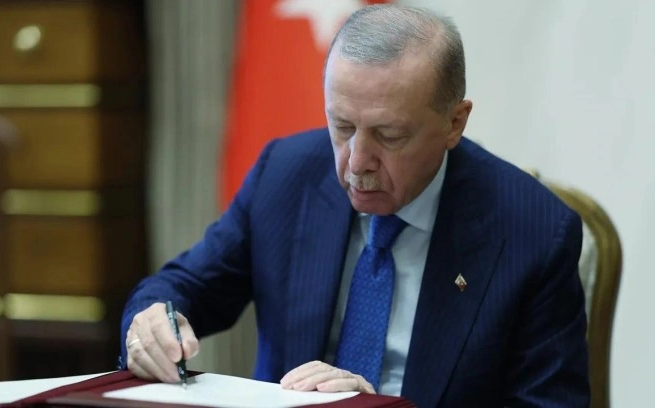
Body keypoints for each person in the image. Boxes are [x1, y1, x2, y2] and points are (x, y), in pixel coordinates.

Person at [120, 4, 589, 407]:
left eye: (389, 135)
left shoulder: (533, 232)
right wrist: (151, 326)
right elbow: (183, 287)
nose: (356, 162)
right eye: (342, 127)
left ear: (454, 123)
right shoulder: (285, 175)